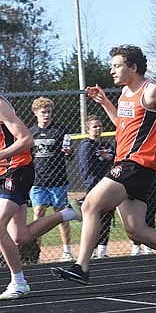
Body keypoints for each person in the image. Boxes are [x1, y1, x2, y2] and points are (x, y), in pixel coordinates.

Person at [50, 45, 156, 287]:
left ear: (133, 67)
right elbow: (122, 126)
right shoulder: (124, 94)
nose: (112, 71)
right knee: (136, 230)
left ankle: (81, 267)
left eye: (116, 66)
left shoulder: (153, 91)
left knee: (90, 205)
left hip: (137, 165)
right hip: (128, 165)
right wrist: (105, 102)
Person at [0, 96, 81, 300]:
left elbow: (26, 140)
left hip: (17, 168)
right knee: (20, 236)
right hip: (2, 170)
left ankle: (18, 282)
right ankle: (69, 213)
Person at [29, 97, 75, 262]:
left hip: (58, 180)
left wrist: (69, 152)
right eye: (43, 112)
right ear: (36, 113)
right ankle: (35, 253)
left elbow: (69, 154)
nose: (46, 115)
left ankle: (67, 251)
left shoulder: (60, 130)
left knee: (62, 215)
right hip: (37, 181)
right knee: (38, 214)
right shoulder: (30, 132)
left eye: (49, 112)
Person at [78, 115, 115, 259]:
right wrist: (93, 185)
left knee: (107, 217)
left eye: (99, 126)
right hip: (95, 187)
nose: (98, 129)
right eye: (94, 126)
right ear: (88, 129)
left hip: (109, 186)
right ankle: (91, 250)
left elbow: (114, 162)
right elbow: (86, 169)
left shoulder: (107, 145)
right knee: (93, 218)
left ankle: (103, 250)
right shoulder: (86, 145)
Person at [130, 150, 156, 256]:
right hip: (135, 181)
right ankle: (136, 245)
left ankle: (148, 245)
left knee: (150, 213)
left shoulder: (154, 149)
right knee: (135, 215)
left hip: (152, 181)